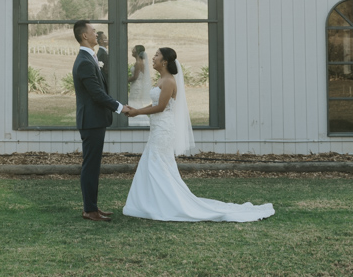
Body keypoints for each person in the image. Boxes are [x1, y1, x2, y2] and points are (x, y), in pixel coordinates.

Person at [122, 47, 274, 223]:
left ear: (164, 62)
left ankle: (166, 204)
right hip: (157, 127)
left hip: (164, 129)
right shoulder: (161, 80)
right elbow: (155, 103)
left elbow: (161, 107)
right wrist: (137, 110)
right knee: (155, 162)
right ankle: (153, 202)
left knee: (157, 163)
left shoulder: (169, 81)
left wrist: (137, 112)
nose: (153, 58)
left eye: (156, 55)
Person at [71, 20, 131, 222]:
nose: (96, 34)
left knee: (94, 166)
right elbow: (97, 94)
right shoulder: (85, 62)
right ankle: (89, 210)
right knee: (90, 166)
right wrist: (121, 108)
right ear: (84, 36)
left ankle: (93, 207)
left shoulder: (90, 59)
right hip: (91, 121)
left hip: (95, 120)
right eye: (93, 31)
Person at [127, 45, 151, 127]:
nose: (132, 51)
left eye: (133, 50)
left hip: (136, 85)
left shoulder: (138, 63)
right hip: (137, 85)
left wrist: (124, 80)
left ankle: (138, 121)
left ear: (137, 52)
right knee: (136, 102)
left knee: (134, 102)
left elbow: (135, 77)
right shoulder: (140, 62)